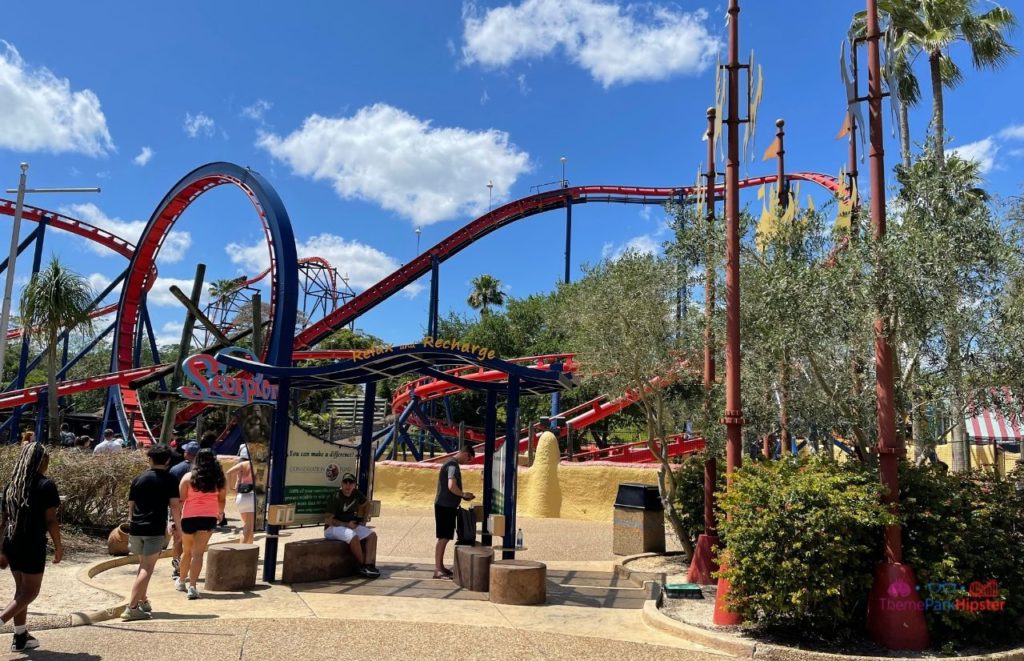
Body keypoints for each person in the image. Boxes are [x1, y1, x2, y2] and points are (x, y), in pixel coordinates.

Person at [0, 443, 62, 652]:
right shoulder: (46, 485)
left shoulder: (12, 485)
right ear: (40, 460)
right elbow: (51, 521)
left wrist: (0, 549)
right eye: (46, 458)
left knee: (20, 591)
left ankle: (20, 637)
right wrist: (59, 547)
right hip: (32, 544)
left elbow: (3, 521)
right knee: (30, 593)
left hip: (11, 543)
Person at [122, 445, 182, 621]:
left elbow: (130, 506)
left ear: (149, 459)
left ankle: (143, 600)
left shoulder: (138, 478)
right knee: (147, 568)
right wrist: (178, 527)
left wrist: (132, 524)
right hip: (154, 528)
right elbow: (175, 506)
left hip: (136, 528)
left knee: (142, 566)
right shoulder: (170, 479)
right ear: (168, 460)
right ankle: (131, 607)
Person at [176, 449, 226, 599]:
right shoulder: (219, 478)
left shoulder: (188, 477)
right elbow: (222, 499)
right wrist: (220, 513)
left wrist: (175, 519)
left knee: (187, 551)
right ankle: (193, 586)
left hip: (189, 517)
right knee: (198, 553)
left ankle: (181, 581)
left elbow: (181, 499)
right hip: (208, 517)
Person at [323, 473, 379, 578]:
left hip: (349, 525)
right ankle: (362, 566)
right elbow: (328, 520)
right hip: (332, 529)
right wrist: (345, 524)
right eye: (345, 482)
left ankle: (368, 565)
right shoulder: (335, 497)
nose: (348, 485)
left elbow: (367, 504)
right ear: (341, 484)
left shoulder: (356, 493)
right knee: (353, 536)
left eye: (351, 483)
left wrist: (363, 520)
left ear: (354, 485)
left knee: (372, 535)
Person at [433, 445, 475, 580]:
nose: (467, 462)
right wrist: (463, 494)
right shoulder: (453, 466)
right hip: (445, 506)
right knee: (443, 537)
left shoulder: (450, 463)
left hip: (445, 505)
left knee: (444, 537)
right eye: (469, 458)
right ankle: (438, 570)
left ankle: (441, 567)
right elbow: (451, 485)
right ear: (465, 453)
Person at [168, 441, 199, 578]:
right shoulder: (203, 471)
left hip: (178, 508)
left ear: (186, 453)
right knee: (194, 541)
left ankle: (177, 568)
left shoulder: (175, 469)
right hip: (196, 510)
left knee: (177, 540)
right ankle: (189, 567)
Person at [225, 446, 256, 545]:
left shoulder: (241, 465)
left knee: (247, 525)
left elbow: (229, 473)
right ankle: (241, 549)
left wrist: (231, 487)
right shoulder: (256, 464)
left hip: (241, 497)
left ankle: (250, 548)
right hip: (252, 496)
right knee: (248, 526)